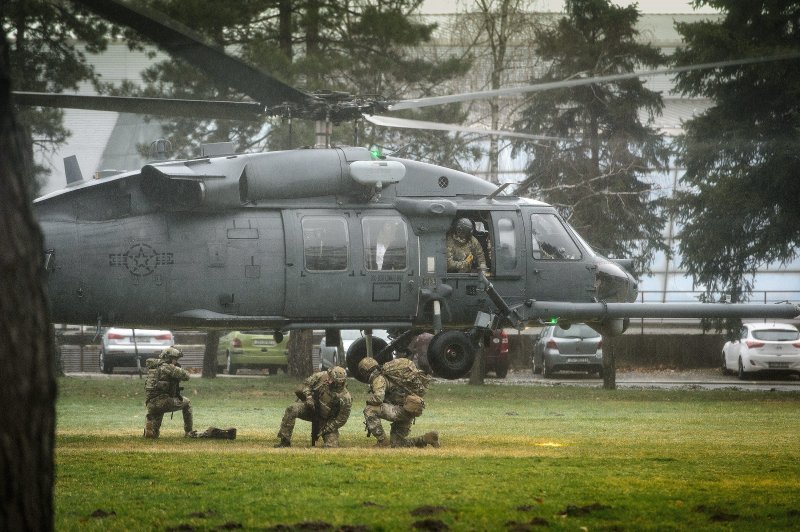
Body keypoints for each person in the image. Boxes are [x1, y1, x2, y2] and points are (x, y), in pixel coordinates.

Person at [359, 357, 439, 448]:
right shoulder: (391, 376)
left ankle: (382, 441)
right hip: (409, 411)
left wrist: (369, 401)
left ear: (365, 371)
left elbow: (378, 398)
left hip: (399, 411)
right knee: (397, 444)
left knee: (370, 409)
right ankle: (427, 438)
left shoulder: (379, 378)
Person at [275, 366, 351, 448]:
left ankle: (328, 439)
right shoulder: (321, 376)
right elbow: (305, 385)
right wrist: (309, 397)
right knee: (292, 409)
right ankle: (284, 441)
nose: (336, 384)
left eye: (339, 383)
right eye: (333, 381)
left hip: (326, 420)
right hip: (310, 408)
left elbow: (342, 418)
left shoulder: (345, 397)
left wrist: (328, 428)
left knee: (331, 446)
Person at [144, 347, 194, 438]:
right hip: (164, 402)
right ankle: (189, 432)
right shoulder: (168, 367)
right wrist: (178, 367)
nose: (176, 361)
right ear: (169, 358)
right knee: (187, 403)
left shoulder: (153, 367)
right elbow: (186, 376)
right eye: (175, 359)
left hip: (150, 403)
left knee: (154, 434)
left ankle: (150, 427)